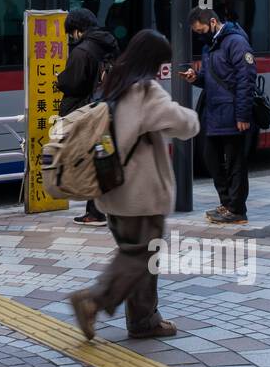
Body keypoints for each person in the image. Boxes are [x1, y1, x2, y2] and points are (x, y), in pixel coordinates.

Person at [68, 30, 200, 341]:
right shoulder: (144, 91)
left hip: (111, 189)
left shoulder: (112, 82)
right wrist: (189, 115)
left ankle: (144, 320)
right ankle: (93, 301)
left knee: (140, 256)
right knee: (140, 255)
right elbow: (185, 124)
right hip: (139, 195)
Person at [181, 8, 257, 225]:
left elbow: (246, 79)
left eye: (201, 29)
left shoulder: (236, 42)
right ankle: (227, 203)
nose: (199, 34)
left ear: (213, 22)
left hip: (232, 113)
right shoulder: (210, 46)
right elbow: (209, 78)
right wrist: (195, 77)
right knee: (211, 158)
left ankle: (237, 209)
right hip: (215, 113)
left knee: (235, 163)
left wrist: (242, 114)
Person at [56, 7, 120, 227]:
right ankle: (106, 209)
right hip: (107, 109)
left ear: (77, 30)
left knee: (91, 161)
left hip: (87, 112)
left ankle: (95, 212)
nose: (71, 37)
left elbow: (73, 83)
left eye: (71, 32)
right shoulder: (109, 44)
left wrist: (59, 79)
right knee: (103, 158)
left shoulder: (82, 51)